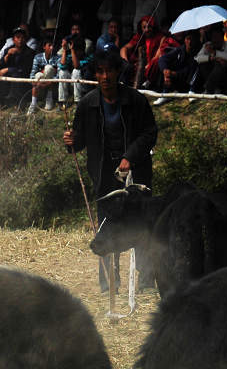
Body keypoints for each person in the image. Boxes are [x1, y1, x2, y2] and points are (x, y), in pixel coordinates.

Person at [63, 46, 158, 292]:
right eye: (100, 72)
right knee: (106, 226)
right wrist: (71, 141)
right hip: (104, 173)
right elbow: (80, 140)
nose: (105, 77)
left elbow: (150, 133)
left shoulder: (135, 101)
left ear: (118, 72)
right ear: (96, 75)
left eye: (110, 71)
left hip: (136, 173)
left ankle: (146, 281)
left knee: (141, 224)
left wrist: (130, 157)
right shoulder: (87, 105)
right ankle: (108, 280)